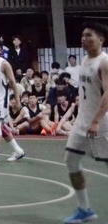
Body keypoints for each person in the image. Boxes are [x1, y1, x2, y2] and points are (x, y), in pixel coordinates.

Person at [62, 22, 108, 224]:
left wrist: (96, 121)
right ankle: (84, 209)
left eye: (89, 35)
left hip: (101, 124)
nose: (84, 39)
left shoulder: (104, 62)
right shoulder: (84, 60)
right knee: (71, 161)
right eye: (82, 35)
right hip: (81, 123)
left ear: (101, 39)